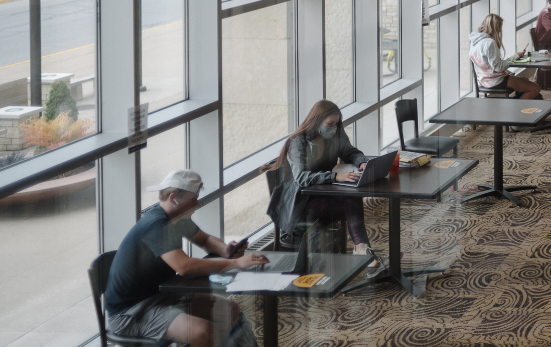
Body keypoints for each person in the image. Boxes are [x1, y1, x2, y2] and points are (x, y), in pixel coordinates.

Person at [105, 170, 268, 347]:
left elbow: (205, 240)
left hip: (163, 296)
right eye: (192, 199)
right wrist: (235, 263)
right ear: (174, 198)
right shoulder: (155, 225)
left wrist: (225, 250)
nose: (197, 204)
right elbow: (184, 266)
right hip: (132, 313)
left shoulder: (177, 218)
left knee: (229, 311)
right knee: (203, 332)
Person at [263, 100, 378, 258]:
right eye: (330, 123)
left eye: (336, 123)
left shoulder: (335, 133)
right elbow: (301, 178)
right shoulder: (297, 142)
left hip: (324, 193)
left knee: (352, 197)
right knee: (351, 201)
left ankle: (361, 247)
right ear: (317, 121)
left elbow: (350, 152)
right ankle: (361, 247)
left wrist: (362, 162)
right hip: (301, 203)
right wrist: (336, 176)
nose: (334, 128)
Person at [468, 14, 540, 98]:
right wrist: (515, 56)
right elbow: (498, 67)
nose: (500, 31)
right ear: (495, 27)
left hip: (483, 80)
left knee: (524, 80)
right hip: (495, 80)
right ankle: (516, 109)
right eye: (500, 27)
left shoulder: (474, 42)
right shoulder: (490, 43)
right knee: (535, 88)